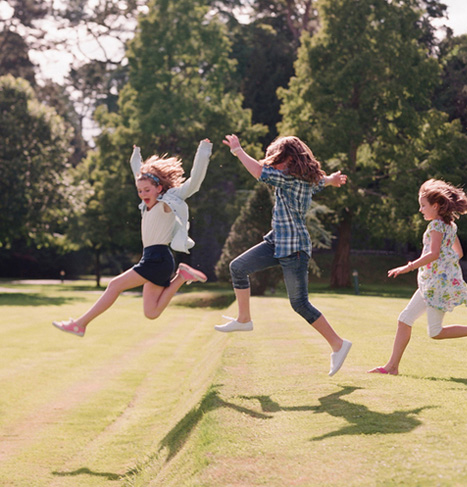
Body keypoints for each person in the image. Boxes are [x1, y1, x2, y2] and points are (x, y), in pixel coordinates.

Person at [216, 134, 352, 376]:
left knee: (300, 304)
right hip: (277, 242)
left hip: (294, 249)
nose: (272, 165)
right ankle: (244, 319)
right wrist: (331, 180)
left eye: (276, 160)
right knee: (238, 267)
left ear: (289, 159)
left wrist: (238, 151)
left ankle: (338, 344)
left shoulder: (290, 179)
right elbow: (320, 182)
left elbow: (259, 172)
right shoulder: (307, 179)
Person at [52, 139, 212, 337]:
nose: (143, 194)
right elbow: (138, 173)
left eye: (147, 190)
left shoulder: (166, 204)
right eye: (139, 191)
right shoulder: (146, 206)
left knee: (114, 285)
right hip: (155, 258)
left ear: (159, 188)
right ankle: (181, 277)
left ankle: (80, 324)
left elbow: (194, 183)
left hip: (158, 258)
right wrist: (136, 156)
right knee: (151, 313)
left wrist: (204, 151)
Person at [369, 179, 467, 375]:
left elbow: (434, 253)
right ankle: (392, 367)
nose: (420, 209)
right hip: (434, 283)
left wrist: (409, 267)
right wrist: (446, 268)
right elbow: (459, 253)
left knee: (433, 331)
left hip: (435, 285)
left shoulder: (436, 226)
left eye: (423, 205)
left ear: (435, 206)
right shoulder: (450, 225)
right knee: (406, 320)